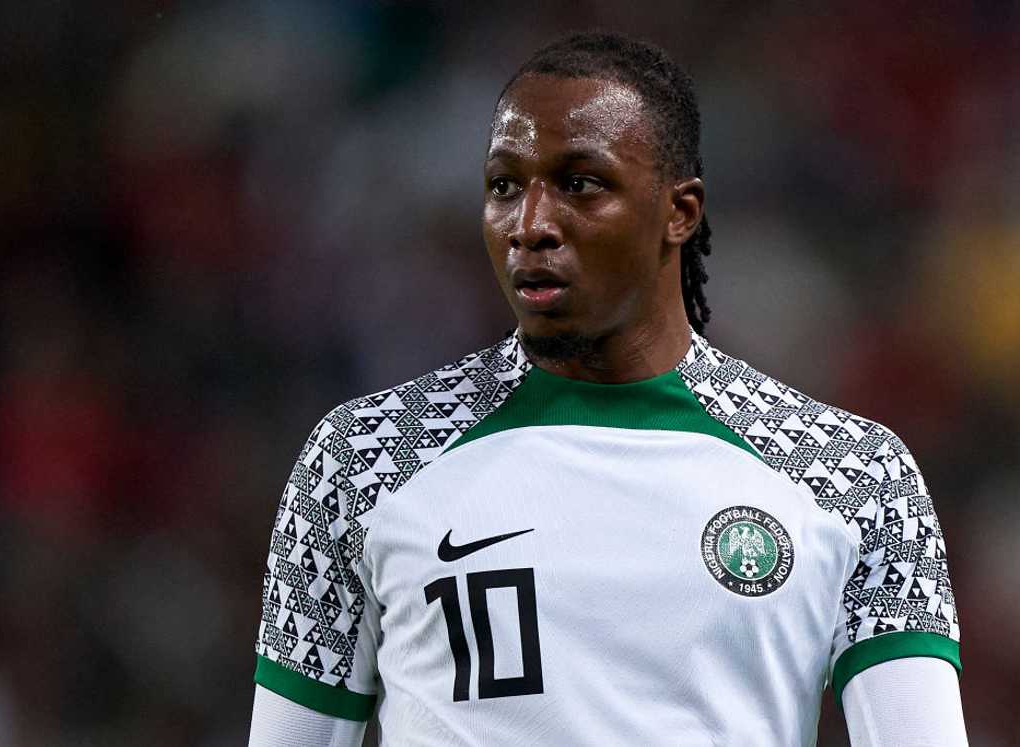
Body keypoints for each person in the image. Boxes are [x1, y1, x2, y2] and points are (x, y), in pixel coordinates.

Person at [248, 32, 966, 746]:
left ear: (680, 212)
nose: (530, 225)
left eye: (579, 183)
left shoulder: (848, 472)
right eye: (504, 186)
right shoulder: (365, 458)